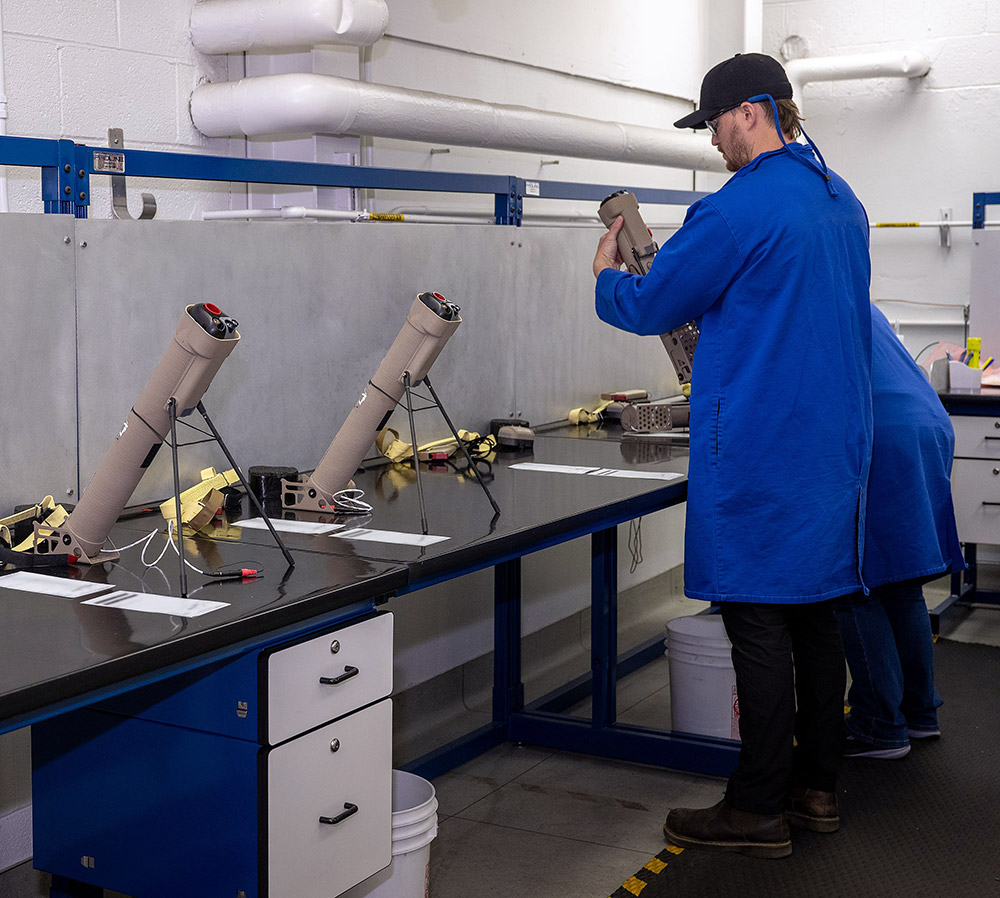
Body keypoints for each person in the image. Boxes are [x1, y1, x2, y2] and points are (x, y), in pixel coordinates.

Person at [592, 53, 873, 859]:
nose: (713, 141)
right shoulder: (838, 198)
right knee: (817, 617)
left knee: (756, 621)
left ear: (751, 111)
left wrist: (607, 276)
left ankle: (755, 807)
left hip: (762, 446)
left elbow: (651, 304)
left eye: (714, 123)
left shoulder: (738, 209)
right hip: (833, 445)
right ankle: (815, 788)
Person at [837, 306, 965, 759]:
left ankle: (878, 724)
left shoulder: (795, 302)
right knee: (902, 585)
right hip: (927, 424)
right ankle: (919, 714)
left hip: (883, 435)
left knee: (854, 584)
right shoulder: (854, 295)